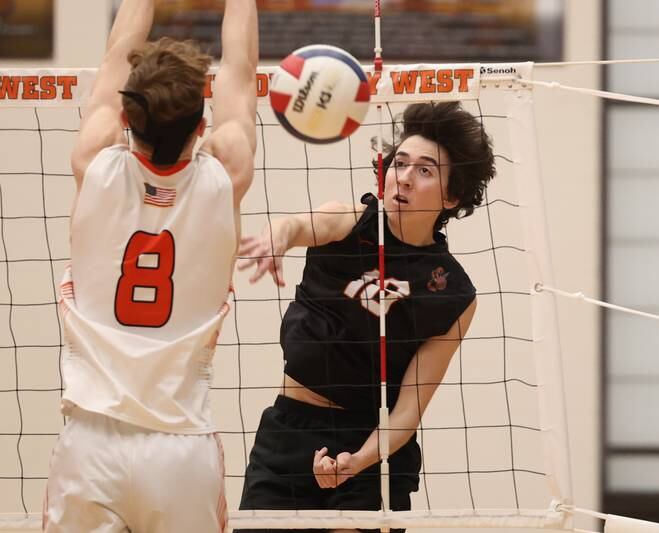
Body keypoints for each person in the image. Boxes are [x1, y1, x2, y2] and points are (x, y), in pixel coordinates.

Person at [43, 0, 258, 531]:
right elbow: (241, 69)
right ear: (202, 122)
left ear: (124, 116)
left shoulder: (92, 161)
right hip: (180, 450)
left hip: (90, 445)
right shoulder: (225, 173)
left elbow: (119, 52)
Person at [237, 101, 496, 533]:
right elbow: (301, 224)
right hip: (290, 430)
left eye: (425, 170)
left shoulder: (453, 293)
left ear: (452, 196)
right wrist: (278, 235)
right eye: (400, 163)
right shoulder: (349, 221)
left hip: (373, 445)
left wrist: (358, 461)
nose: (405, 177)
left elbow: (407, 413)